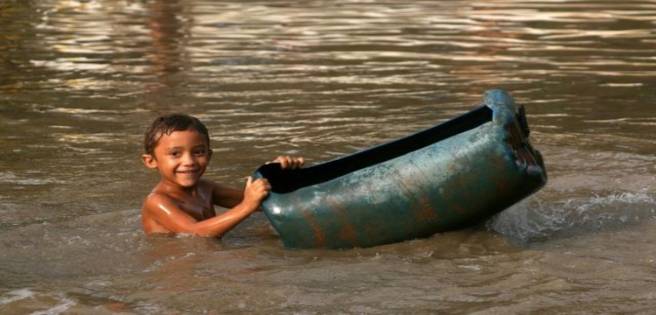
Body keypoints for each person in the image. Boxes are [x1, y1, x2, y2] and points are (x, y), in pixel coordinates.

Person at [140, 113, 304, 237]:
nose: (189, 161)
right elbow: (195, 233)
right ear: (151, 161)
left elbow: (262, 204)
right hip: (179, 272)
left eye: (198, 152)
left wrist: (275, 173)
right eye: (175, 154)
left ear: (209, 155)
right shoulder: (157, 202)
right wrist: (246, 206)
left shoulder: (206, 188)